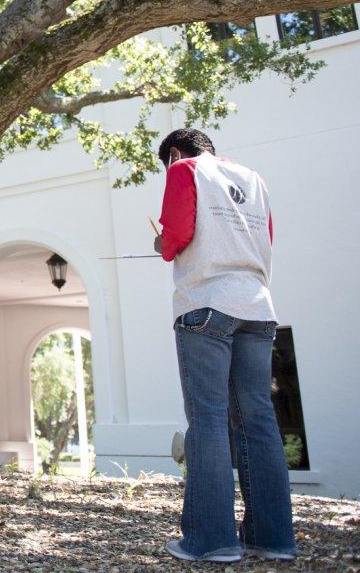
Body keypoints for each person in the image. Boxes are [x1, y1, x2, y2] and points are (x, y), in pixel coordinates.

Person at [154, 128, 297, 563]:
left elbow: (177, 233)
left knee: (209, 421)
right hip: (257, 305)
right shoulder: (254, 178)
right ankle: (273, 539)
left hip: (206, 303)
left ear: (175, 152)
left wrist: (162, 244)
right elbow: (265, 238)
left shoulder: (184, 169)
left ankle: (211, 540)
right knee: (258, 420)